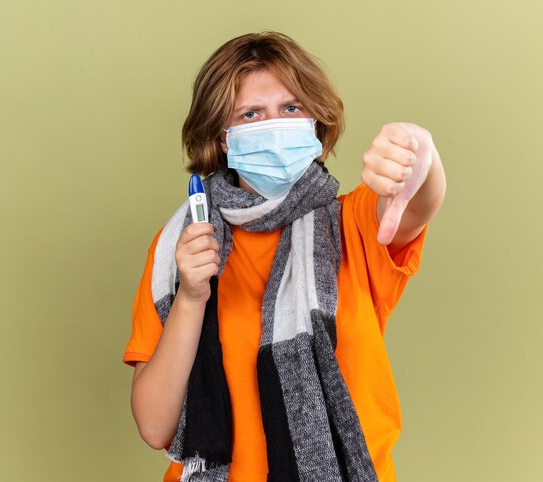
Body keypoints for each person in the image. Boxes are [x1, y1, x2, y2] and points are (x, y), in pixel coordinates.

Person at [123, 31, 446, 482]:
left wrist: (421, 154)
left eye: (291, 108)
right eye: (251, 113)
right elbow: (155, 427)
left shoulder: (351, 224)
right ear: (222, 138)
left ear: (314, 121)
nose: (274, 125)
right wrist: (192, 297)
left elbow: (418, 201)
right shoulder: (180, 246)